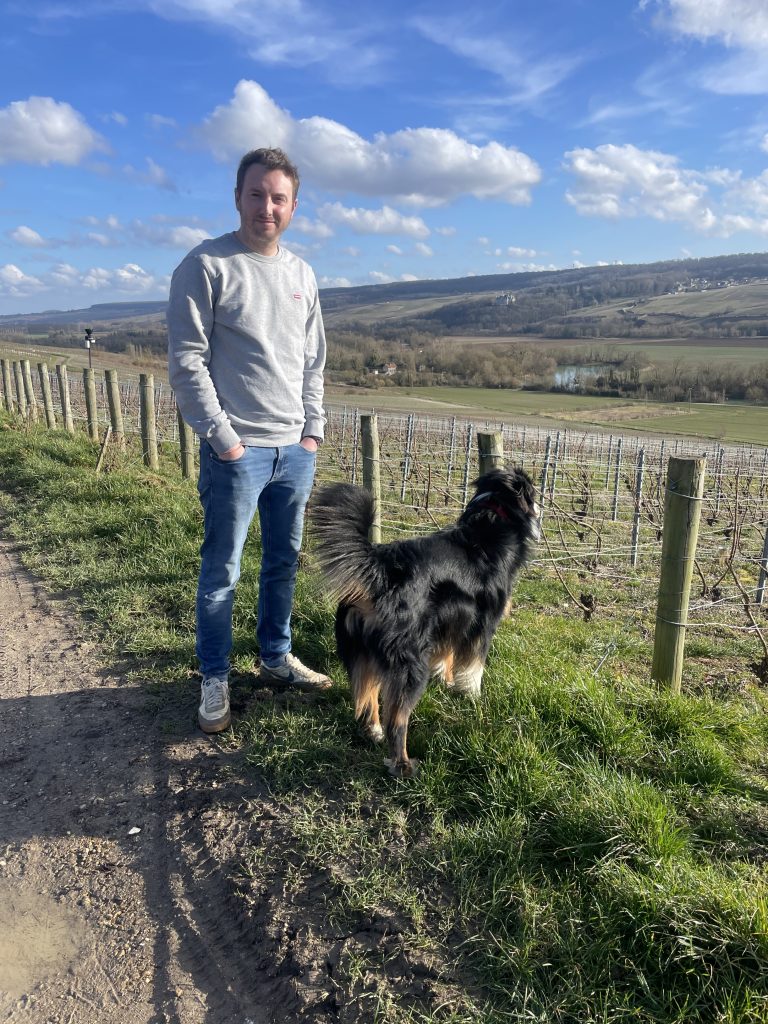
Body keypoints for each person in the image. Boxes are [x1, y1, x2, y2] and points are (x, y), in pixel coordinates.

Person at [167, 147, 331, 735]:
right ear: (238, 196)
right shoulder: (205, 266)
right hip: (238, 453)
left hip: (295, 451)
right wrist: (224, 439)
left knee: (283, 562)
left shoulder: (302, 273)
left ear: (293, 205)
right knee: (222, 571)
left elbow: (313, 361)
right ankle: (215, 677)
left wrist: (313, 431)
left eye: (279, 197)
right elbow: (187, 363)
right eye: (257, 194)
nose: (267, 206)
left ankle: (275, 657)